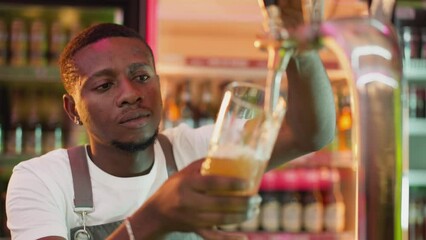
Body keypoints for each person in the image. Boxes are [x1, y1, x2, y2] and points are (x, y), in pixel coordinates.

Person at [5, 13, 335, 240]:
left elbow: (309, 132)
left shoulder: (198, 151)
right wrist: (156, 218)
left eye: (141, 77)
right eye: (104, 86)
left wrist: (299, 45)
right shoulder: (42, 180)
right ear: (72, 109)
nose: (130, 95)